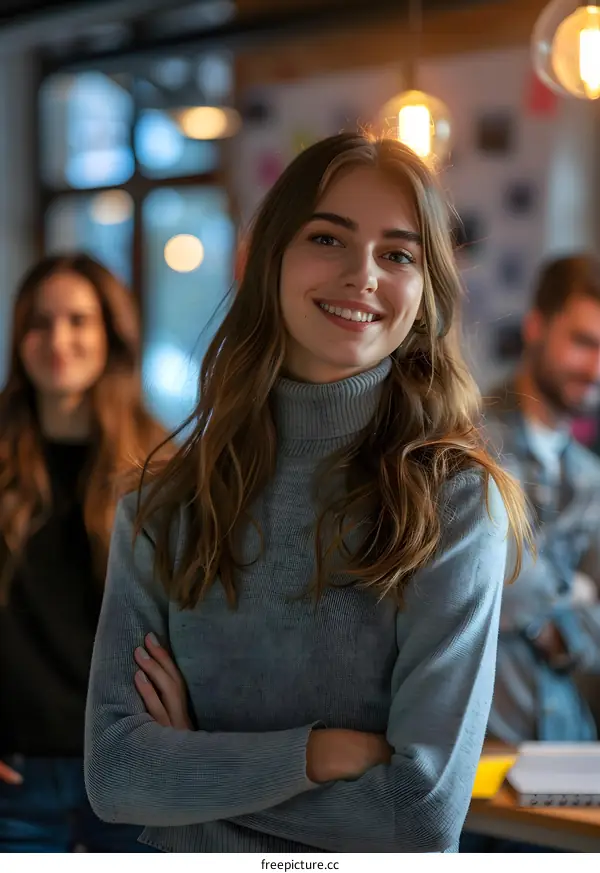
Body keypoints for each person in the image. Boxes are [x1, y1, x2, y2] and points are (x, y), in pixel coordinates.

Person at [85, 132, 530, 854]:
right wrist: (318, 754)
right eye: (328, 237)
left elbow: (416, 818)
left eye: (398, 253)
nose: (363, 274)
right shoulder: (163, 504)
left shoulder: (452, 502)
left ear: (424, 293)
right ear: (272, 262)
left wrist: (195, 777)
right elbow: (115, 775)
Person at [0, 254, 167, 852]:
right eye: (39, 323)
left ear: (110, 336)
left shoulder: (161, 465)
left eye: (78, 320)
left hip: (134, 772)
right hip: (16, 777)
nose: (58, 339)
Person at [460, 254, 600, 853]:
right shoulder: (466, 438)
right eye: (583, 342)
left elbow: (595, 638)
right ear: (537, 327)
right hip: (482, 758)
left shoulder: (590, 476)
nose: (595, 368)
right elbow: (484, 584)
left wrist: (540, 610)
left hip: (571, 750)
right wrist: (569, 598)